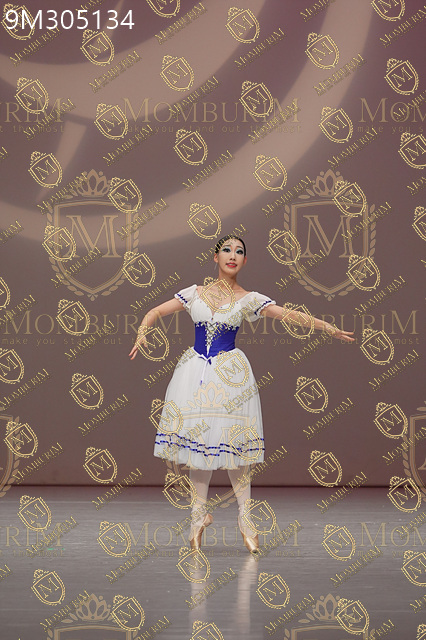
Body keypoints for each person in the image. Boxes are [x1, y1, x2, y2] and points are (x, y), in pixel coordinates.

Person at [129, 235, 354, 554]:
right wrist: (142, 331)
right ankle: (197, 518)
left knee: (235, 446)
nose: (232, 255)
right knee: (199, 445)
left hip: (231, 376)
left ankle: (245, 518)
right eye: (226, 250)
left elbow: (288, 314)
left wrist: (326, 327)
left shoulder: (249, 299)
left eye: (239, 252)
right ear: (215, 257)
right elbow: (155, 311)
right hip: (194, 373)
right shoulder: (194, 293)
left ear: (245, 261)